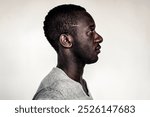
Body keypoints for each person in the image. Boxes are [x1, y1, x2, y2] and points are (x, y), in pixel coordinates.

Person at [33, 4, 103, 100]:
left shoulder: (80, 84)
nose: (99, 38)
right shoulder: (52, 94)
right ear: (66, 40)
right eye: (90, 31)